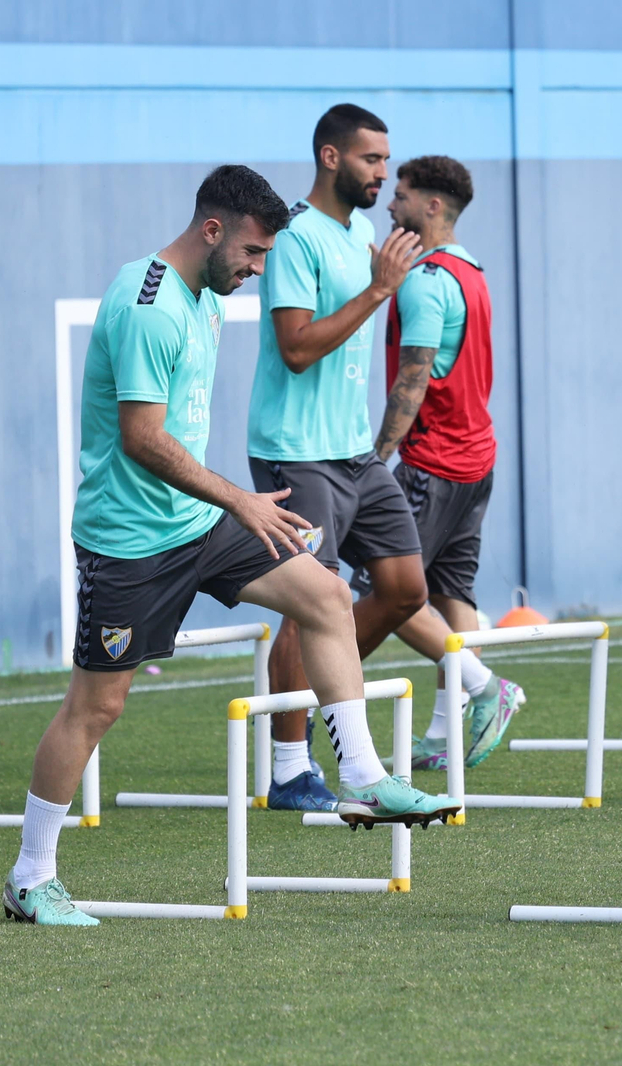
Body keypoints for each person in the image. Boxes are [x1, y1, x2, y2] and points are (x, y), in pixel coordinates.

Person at [4, 166, 457, 927]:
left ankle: (362, 776)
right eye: (251, 253)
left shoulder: (208, 297)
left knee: (324, 595)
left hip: (198, 521)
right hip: (129, 542)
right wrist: (241, 499)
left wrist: (232, 507)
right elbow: (142, 438)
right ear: (212, 231)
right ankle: (29, 876)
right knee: (96, 705)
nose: (257, 270)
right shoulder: (149, 305)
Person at [249, 108, 524, 810]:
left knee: (404, 590)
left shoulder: (365, 236)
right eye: (372, 160)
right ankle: (290, 769)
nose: (382, 173)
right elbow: (296, 348)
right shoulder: (296, 237)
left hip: (356, 455)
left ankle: (329, 693)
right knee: (310, 603)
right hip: (298, 454)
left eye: (386, 162)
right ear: (330, 156)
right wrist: (378, 291)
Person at [369, 155, 516, 769]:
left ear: (432, 205)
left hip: (433, 462)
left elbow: (413, 378)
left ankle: (487, 688)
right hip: (477, 459)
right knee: (454, 593)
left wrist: (376, 460)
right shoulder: (471, 271)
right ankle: (442, 733)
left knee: (389, 592)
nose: (390, 203)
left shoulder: (426, 281)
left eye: (401, 195)